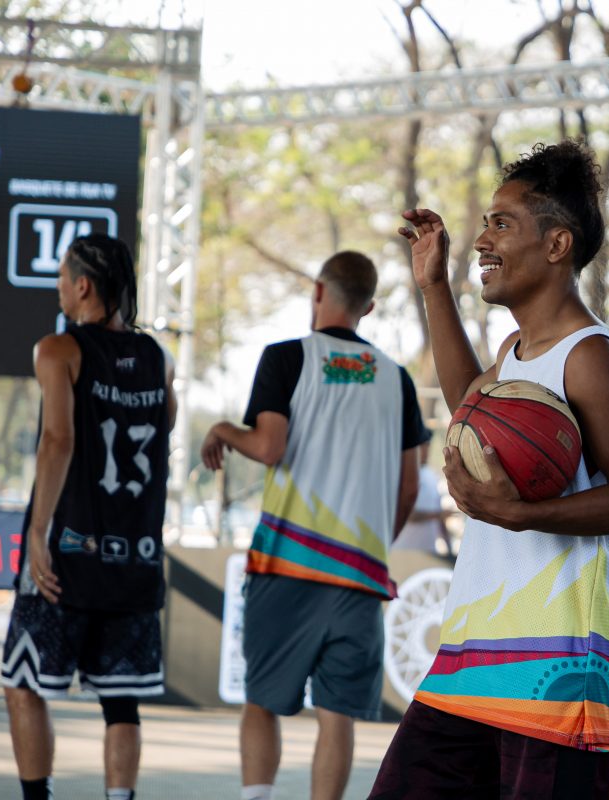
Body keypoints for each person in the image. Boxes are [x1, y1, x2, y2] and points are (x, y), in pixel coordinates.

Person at [371, 141, 609, 799]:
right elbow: (470, 405)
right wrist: (433, 286)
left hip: (557, 670)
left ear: (557, 245)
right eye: (485, 223)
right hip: (473, 658)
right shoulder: (516, 351)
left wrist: (520, 514)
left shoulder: (592, 356)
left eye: (502, 223)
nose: (482, 240)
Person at [200, 251, 430, 800]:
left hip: (287, 567)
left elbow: (268, 447)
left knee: (261, 701)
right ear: (368, 307)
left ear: (319, 291)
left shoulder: (286, 357)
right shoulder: (396, 379)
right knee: (337, 714)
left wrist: (223, 429)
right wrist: (374, 546)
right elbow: (408, 485)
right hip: (360, 577)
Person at [0, 234, 175, 800]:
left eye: (60, 278)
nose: (58, 288)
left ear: (81, 286)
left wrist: (37, 531)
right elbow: (165, 428)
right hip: (135, 557)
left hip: (69, 553)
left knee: (23, 682)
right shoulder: (159, 358)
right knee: (121, 701)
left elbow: (58, 439)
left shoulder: (59, 349)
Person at [390, 440, 452, 556]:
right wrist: (438, 515)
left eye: (428, 446)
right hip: (403, 552)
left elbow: (440, 516)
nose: (426, 451)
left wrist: (449, 547)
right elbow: (407, 514)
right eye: (422, 446)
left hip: (429, 552)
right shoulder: (401, 474)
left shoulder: (432, 476)